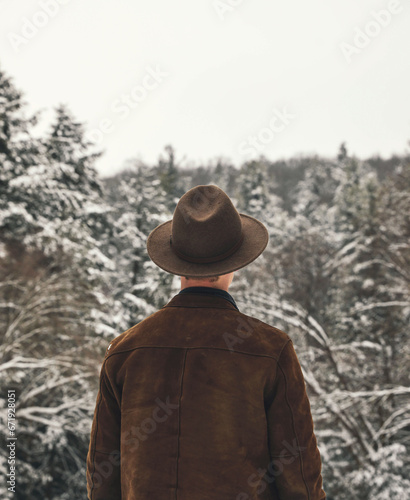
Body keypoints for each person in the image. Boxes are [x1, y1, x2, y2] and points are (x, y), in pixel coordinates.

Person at [86, 184, 326, 499]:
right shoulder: (270, 349)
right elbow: (299, 477)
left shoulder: (125, 350)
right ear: (236, 264)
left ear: (176, 264)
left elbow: (101, 476)